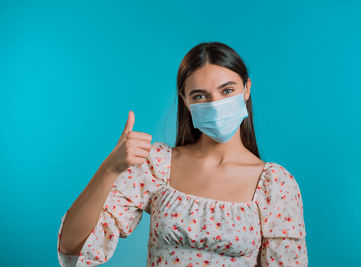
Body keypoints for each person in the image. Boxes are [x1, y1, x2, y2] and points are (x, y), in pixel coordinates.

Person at [57, 41, 308, 266]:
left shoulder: (275, 184)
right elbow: (72, 251)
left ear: (246, 89)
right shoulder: (156, 165)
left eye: (227, 90)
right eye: (200, 95)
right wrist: (110, 168)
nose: (215, 104)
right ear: (186, 101)